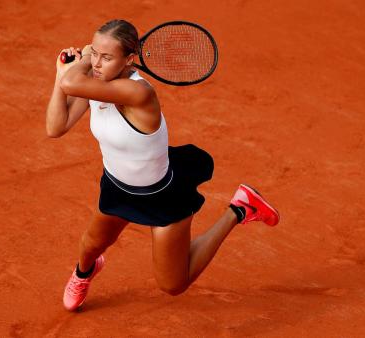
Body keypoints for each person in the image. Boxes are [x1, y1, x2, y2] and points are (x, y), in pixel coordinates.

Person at [45, 19, 280, 311]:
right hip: (117, 188)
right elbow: (55, 127)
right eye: (96, 53)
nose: (97, 63)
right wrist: (60, 76)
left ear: (129, 59)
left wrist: (81, 58)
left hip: (162, 195)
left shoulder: (139, 93)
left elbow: (73, 82)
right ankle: (84, 272)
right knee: (91, 245)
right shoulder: (95, 82)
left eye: (106, 57)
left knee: (173, 285)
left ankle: (240, 208)